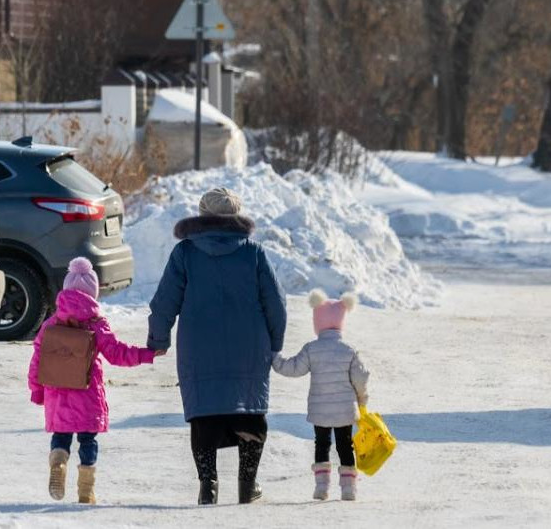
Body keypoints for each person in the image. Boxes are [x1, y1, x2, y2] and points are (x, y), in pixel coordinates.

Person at [147, 187, 287, 505]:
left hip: (199, 348)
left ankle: (208, 485)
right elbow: (276, 304)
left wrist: (158, 339)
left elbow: (165, 301)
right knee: (249, 413)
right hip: (250, 348)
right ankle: (247, 485)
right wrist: (275, 342)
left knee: (204, 414)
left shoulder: (185, 253)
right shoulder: (253, 253)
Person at [28, 257, 160, 504]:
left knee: (61, 435)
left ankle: (58, 459)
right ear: (93, 293)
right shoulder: (96, 324)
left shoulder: (51, 324)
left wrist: (37, 390)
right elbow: (117, 353)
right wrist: (147, 354)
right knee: (88, 440)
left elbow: (37, 360)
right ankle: (86, 491)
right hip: (87, 394)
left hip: (57, 395)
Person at [272, 289, 369, 501]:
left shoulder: (312, 349)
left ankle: (322, 487)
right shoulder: (349, 350)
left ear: (318, 322)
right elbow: (360, 378)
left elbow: (294, 368)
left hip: (320, 410)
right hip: (344, 409)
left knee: (322, 444)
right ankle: (349, 489)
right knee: (345, 445)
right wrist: (362, 399)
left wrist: (275, 359)